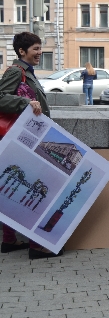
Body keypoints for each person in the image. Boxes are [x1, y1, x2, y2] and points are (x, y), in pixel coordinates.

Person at [0, 32, 63, 259]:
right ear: (22, 51)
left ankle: (9, 240)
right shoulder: (16, 71)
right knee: (38, 188)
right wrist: (25, 102)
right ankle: (37, 246)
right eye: (36, 48)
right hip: (22, 139)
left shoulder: (26, 72)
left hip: (25, 138)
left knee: (19, 188)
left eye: (40, 48)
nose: (40, 52)